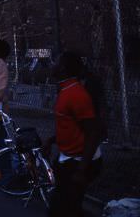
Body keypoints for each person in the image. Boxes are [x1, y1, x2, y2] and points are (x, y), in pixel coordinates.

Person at [45, 51, 103, 217]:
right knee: (69, 207)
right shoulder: (65, 90)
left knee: (61, 209)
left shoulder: (76, 94)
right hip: (68, 160)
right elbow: (72, 127)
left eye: (55, 61)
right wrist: (51, 140)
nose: (52, 64)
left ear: (62, 68)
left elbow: (94, 132)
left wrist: (81, 170)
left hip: (78, 163)